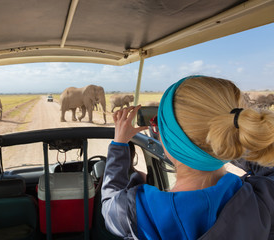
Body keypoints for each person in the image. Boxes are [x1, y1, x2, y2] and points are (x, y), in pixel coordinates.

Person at [101, 75, 274, 239]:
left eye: (157, 124)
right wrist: (232, 139)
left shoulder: (134, 210)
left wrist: (119, 144)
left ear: (169, 140)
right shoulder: (264, 201)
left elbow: (108, 201)